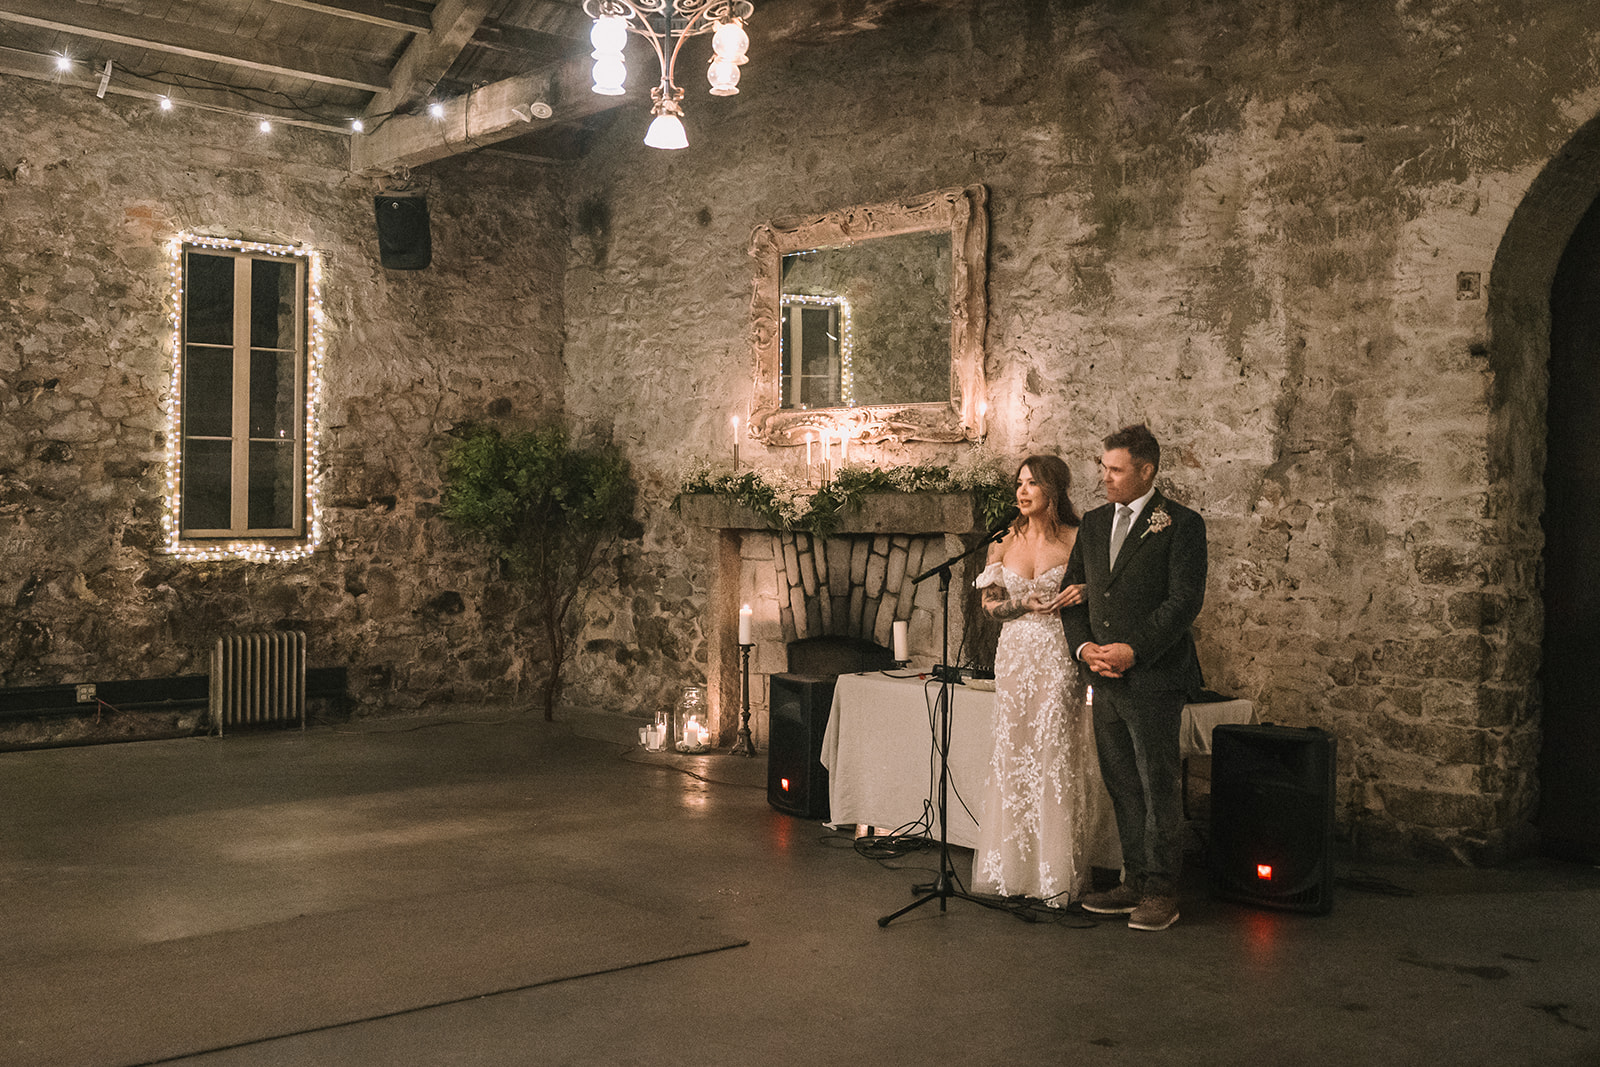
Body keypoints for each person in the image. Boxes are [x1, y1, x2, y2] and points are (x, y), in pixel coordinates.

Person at [1061, 424, 1207, 931]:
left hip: (1155, 677)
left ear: (1146, 471)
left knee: (1157, 782)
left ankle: (1163, 891)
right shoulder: (1096, 522)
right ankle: (1134, 877)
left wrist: (1133, 650)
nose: (1105, 477)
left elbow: (1183, 601)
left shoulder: (1182, 525)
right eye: (1103, 467)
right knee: (1121, 781)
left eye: (1115, 469)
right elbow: (1073, 592)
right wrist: (1085, 650)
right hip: (1103, 676)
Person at [971, 454, 1120, 905]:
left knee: (1053, 752)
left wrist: (1085, 592)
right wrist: (1022, 607)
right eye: (1019, 483)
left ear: (1053, 489)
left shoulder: (1079, 539)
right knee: (1012, 751)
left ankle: (1054, 873)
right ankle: (1011, 872)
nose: (1022, 491)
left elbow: (1109, 589)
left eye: (1032, 483)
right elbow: (991, 606)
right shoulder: (1002, 541)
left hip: (1058, 653)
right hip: (1015, 655)